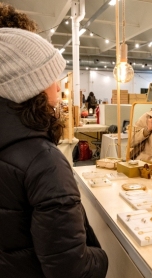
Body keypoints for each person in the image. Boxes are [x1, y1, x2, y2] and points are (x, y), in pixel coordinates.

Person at [0, 28, 108, 277]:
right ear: (29, 86)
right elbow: (72, 269)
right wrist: (102, 256)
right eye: (51, 78)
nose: (58, 86)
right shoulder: (43, 161)